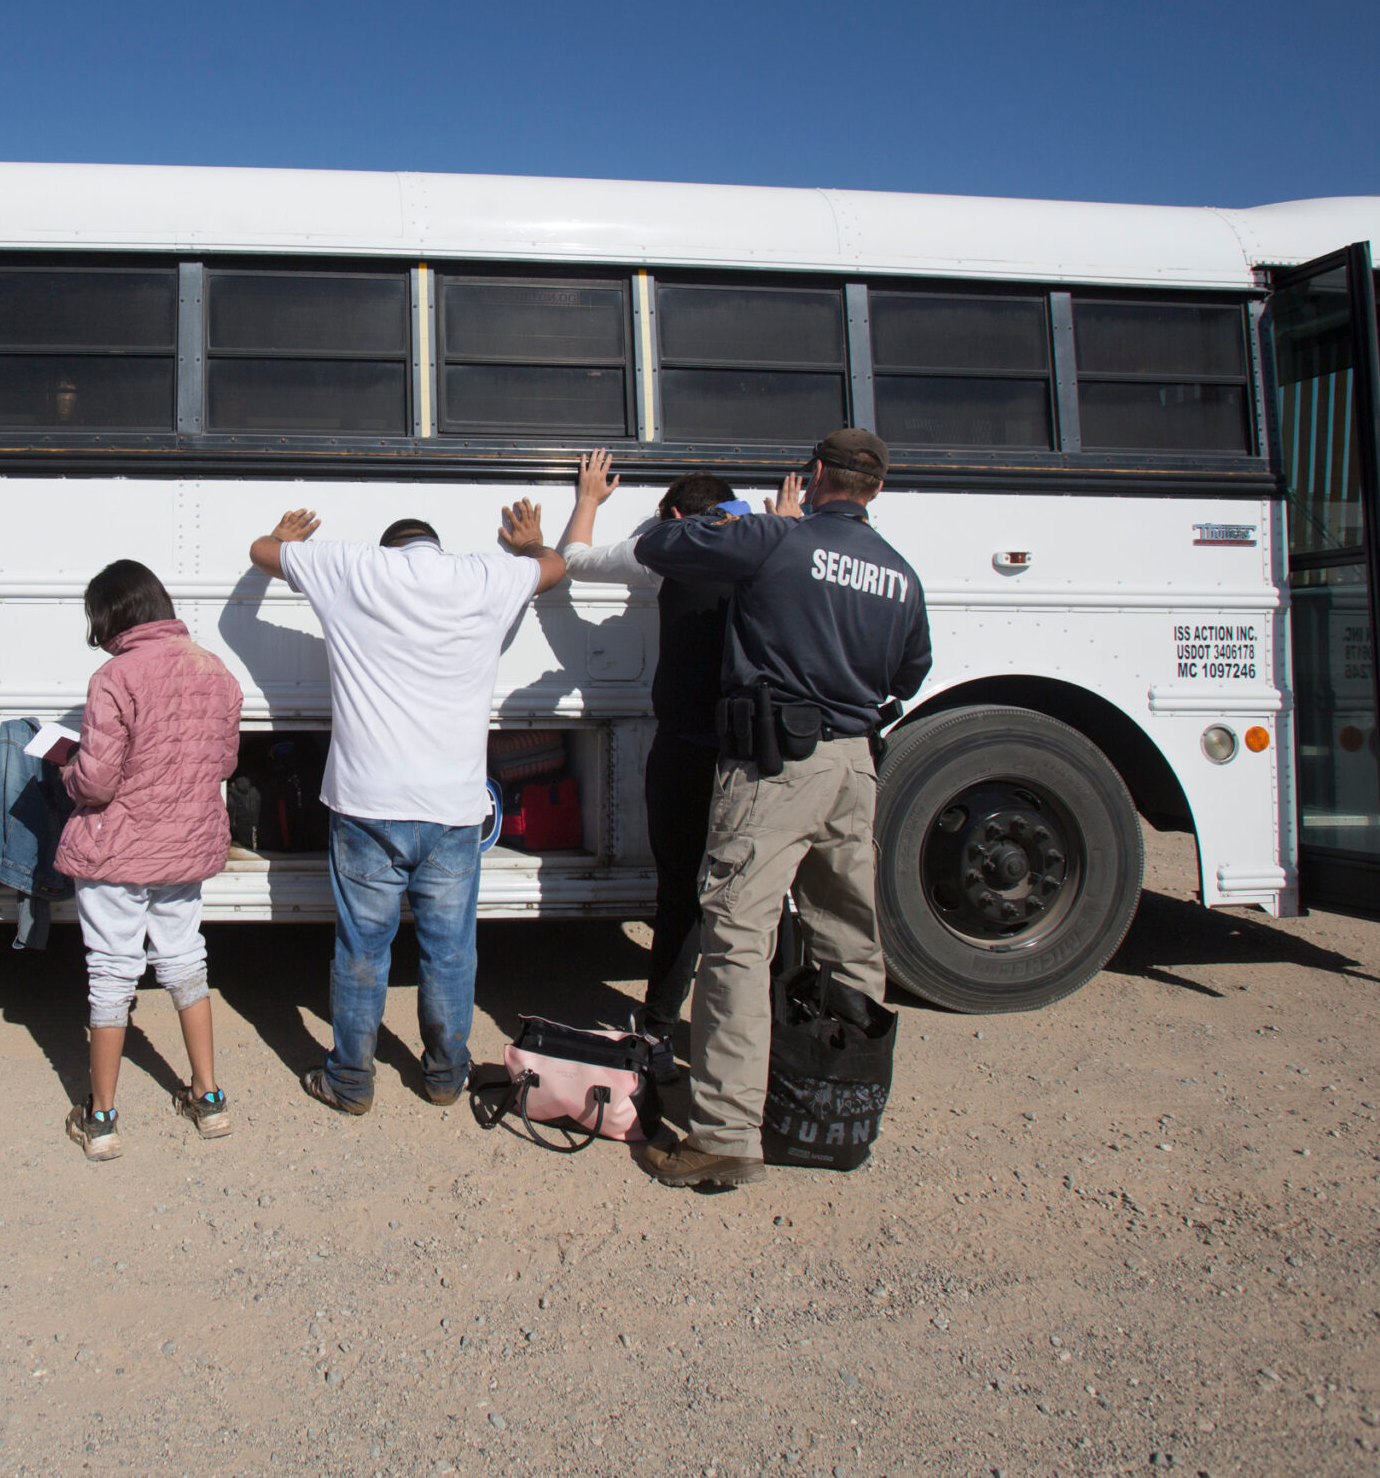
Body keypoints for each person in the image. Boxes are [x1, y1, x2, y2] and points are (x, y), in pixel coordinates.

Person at [627, 429, 931, 1190]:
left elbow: (661, 544)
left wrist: (727, 518)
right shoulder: (899, 573)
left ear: (817, 473)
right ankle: (844, 1106)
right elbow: (912, 669)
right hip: (854, 766)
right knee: (848, 938)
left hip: (776, 765)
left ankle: (725, 1133)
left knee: (737, 934)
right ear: (876, 491)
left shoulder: (775, 540)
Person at [252, 506, 564, 1113]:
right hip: (452, 809)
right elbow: (552, 567)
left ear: (388, 547)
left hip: (366, 803)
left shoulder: (349, 567)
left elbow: (260, 553)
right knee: (449, 950)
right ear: (434, 548)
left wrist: (282, 539)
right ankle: (446, 1077)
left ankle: (350, 1081)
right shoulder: (483, 577)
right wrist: (530, 544)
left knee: (362, 948)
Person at [556, 451, 801, 1034]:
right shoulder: (779, 550)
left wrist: (588, 499)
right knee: (770, 892)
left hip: (687, 748)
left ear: (673, 515)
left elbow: (575, 561)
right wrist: (792, 525)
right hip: (756, 751)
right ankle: (785, 1025)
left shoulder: (670, 551)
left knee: (680, 892)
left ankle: (661, 1024)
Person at [54, 559, 245, 1160]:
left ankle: (103, 1118)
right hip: (184, 850)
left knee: (112, 972)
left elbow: (97, 784)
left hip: (118, 851)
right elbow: (224, 766)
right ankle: (208, 1098)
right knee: (187, 962)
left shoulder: (114, 675)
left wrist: (65, 768)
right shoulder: (216, 672)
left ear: (112, 614)